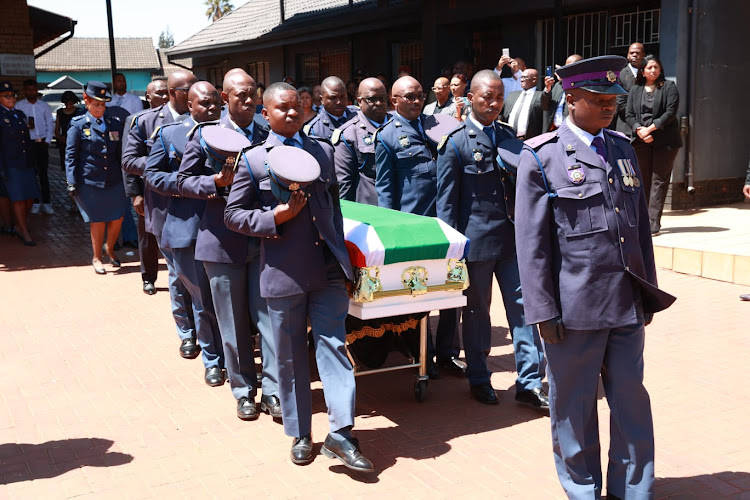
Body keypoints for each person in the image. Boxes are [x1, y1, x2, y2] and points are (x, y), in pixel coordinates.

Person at [514, 55, 676, 499]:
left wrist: (648, 293)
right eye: (599, 99)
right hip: (573, 311)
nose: (610, 107)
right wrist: (542, 311)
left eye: (613, 100)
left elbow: (639, 229)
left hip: (625, 303)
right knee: (573, 410)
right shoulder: (540, 156)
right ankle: (583, 490)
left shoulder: (622, 148)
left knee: (631, 405)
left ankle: (632, 491)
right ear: (571, 98)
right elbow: (532, 246)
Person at [224, 82, 374, 472]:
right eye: (282, 108)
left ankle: (341, 433)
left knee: (334, 347)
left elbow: (334, 211)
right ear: (265, 112)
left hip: (325, 267)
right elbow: (233, 216)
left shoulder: (323, 150)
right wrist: (276, 217)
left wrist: (345, 260)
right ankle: (301, 432)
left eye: (297, 107)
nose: (291, 113)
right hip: (284, 271)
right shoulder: (254, 160)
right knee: (290, 357)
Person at [436, 69, 548, 408]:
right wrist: (452, 251)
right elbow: (447, 204)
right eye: (488, 98)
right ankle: (480, 378)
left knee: (526, 310)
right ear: (471, 98)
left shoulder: (508, 135)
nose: (495, 104)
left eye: (500, 98)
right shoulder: (454, 141)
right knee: (477, 314)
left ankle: (529, 383)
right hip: (476, 245)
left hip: (512, 242)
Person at [177, 69, 281, 421]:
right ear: (225, 98)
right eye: (241, 95)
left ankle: (273, 390)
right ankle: (243, 391)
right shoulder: (206, 135)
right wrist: (216, 182)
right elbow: (184, 180)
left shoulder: (269, 133)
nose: (249, 100)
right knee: (233, 324)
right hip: (221, 243)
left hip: (263, 239)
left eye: (253, 94)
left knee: (268, 318)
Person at [374, 75, 463, 378]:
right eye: (408, 96)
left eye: (419, 95)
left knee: (453, 289)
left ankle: (448, 352)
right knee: (419, 292)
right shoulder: (386, 136)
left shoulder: (438, 125)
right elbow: (386, 191)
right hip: (414, 228)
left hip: (447, 222)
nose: (415, 101)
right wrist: (390, 232)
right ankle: (422, 351)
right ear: (394, 101)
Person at [144, 81, 224, 387]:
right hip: (188, 228)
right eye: (204, 103)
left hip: (227, 228)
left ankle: (233, 357)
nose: (211, 108)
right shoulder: (170, 134)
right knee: (201, 300)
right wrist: (187, 185)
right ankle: (213, 360)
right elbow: (152, 176)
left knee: (229, 302)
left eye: (216, 102)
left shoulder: (232, 132)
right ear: (189, 105)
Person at [123, 70, 201, 357]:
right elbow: (129, 161)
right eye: (189, 88)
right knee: (178, 274)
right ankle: (187, 333)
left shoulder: (207, 118)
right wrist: (163, 167)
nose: (196, 92)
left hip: (201, 211)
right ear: (173, 93)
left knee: (202, 275)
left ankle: (208, 330)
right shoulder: (145, 121)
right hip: (166, 211)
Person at [65, 81, 128, 273]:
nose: (100, 108)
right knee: (98, 219)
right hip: (90, 181)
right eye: (96, 104)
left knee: (117, 217)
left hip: (114, 179)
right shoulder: (77, 125)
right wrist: (71, 181)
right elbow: (71, 155)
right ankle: (97, 257)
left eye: (103, 105)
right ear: (87, 103)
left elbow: (120, 154)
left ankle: (110, 248)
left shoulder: (115, 123)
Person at [626, 55, 682, 235]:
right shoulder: (635, 89)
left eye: (656, 67)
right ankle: (642, 219)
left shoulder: (668, 87)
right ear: (643, 71)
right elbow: (629, 114)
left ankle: (653, 221)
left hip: (665, 140)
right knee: (642, 180)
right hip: (641, 140)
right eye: (649, 67)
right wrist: (638, 130)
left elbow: (670, 112)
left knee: (659, 179)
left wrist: (649, 129)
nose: (653, 70)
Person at [332, 77, 390, 205]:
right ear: (359, 101)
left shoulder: (399, 125)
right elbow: (344, 184)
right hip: (371, 208)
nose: (379, 103)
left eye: (382, 98)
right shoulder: (349, 134)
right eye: (372, 99)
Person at [0, 81, 39, 245]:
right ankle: (22, 230)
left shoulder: (20, 114)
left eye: (13, 95)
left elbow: (26, 140)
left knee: (30, 197)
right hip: (9, 163)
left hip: (25, 162)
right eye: (6, 96)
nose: (11, 98)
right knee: (18, 198)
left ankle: (18, 224)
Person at [16, 79, 54, 215]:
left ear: (36, 90)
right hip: (28, 143)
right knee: (32, 173)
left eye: (33, 89)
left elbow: (50, 124)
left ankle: (47, 202)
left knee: (44, 173)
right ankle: (36, 202)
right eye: (28, 89)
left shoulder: (44, 106)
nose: (31, 92)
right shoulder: (19, 106)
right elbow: (17, 125)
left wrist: (48, 141)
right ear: (24, 90)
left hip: (41, 142)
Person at [501, 68, 553, 140]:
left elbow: (546, 100)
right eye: (521, 77)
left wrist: (547, 89)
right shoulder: (512, 95)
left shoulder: (540, 96)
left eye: (524, 77)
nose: (521, 80)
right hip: (508, 138)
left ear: (534, 79)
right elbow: (501, 112)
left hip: (529, 140)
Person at [612, 42, 645, 136]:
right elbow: (620, 103)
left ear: (643, 55)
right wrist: (636, 118)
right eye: (631, 53)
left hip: (645, 128)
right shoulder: (620, 75)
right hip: (626, 128)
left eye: (637, 53)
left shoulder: (647, 73)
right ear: (627, 55)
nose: (634, 55)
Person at [545, 54, 583, 131]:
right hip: (554, 129)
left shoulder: (583, 84)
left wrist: (565, 81)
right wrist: (547, 89)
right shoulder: (558, 85)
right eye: (566, 67)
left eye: (570, 67)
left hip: (572, 130)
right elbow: (545, 105)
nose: (567, 70)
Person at [54, 91, 85, 172]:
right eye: (67, 102)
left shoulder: (79, 112)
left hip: (76, 141)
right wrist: (59, 137)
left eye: (71, 102)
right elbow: (57, 128)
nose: (69, 104)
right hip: (64, 141)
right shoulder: (60, 112)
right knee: (65, 164)